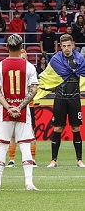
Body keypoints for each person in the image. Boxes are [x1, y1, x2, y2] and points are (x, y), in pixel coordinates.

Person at [0, 34, 39, 191]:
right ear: (21, 47)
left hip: (4, 112)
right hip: (23, 112)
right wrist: (20, 107)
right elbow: (33, 90)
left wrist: (8, 107)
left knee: (2, 145)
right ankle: (29, 182)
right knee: (25, 145)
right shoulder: (29, 66)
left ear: (7, 47)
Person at [39, 34, 85, 168]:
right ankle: (53, 160)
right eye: (64, 46)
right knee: (58, 128)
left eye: (68, 45)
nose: (66, 48)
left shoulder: (80, 60)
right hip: (59, 99)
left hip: (75, 98)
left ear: (73, 45)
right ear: (60, 46)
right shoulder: (55, 60)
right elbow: (47, 77)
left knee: (76, 128)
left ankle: (79, 160)